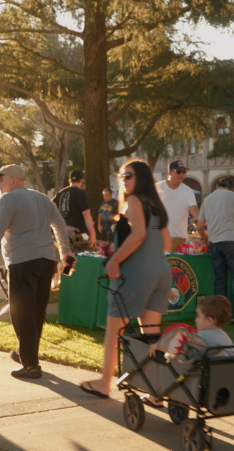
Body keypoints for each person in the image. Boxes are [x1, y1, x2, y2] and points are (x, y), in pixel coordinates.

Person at [78, 160, 170, 399]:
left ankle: (103, 383)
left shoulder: (136, 201)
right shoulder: (156, 205)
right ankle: (155, 392)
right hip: (161, 272)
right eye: (121, 175)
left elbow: (138, 234)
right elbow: (168, 242)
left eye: (128, 175)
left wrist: (114, 260)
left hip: (136, 274)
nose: (124, 179)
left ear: (141, 178)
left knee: (113, 330)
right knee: (151, 336)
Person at [0, 164, 76, 379]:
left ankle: (30, 365)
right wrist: (65, 252)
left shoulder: (9, 199)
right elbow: (59, 224)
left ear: (13, 180)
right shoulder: (42, 199)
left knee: (21, 313)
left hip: (23, 261)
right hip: (46, 262)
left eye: (0, 180)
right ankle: (26, 354)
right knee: (36, 313)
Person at [200, 177, 234, 325]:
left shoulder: (207, 200)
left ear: (217, 186)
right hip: (231, 241)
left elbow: (199, 226)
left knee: (220, 280)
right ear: (230, 187)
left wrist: (206, 237)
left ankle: (219, 316)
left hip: (214, 243)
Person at [159, 160, 200, 252]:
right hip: (160, 238)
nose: (181, 174)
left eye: (183, 172)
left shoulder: (188, 190)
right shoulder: (158, 188)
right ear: (170, 172)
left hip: (180, 239)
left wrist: (203, 220)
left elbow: (194, 210)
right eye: (178, 172)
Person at [53, 169, 97, 252]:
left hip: (61, 234)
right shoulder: (79, 193)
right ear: (81, 180)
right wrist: (93, 232)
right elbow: (86, 214)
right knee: (81, 258)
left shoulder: (59, 194)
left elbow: (50, 209)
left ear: (70, 180)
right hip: (76, 235)